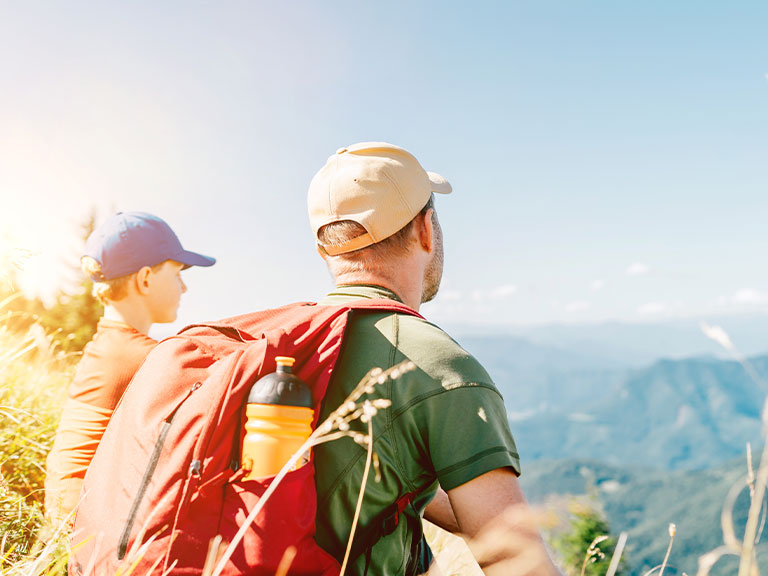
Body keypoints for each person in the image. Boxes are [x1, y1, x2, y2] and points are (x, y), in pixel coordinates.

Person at [307, 142, 563, 575]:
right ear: (427, 229)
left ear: (326, 251)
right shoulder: (439, 367)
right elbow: (519, 567)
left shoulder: (281, 350)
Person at [44, 211, 215, 523]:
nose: (184, 288)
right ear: (146, 279)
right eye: (177, 274)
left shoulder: (110, 345)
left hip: (67, 526)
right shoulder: (146, 358)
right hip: (84, 539)